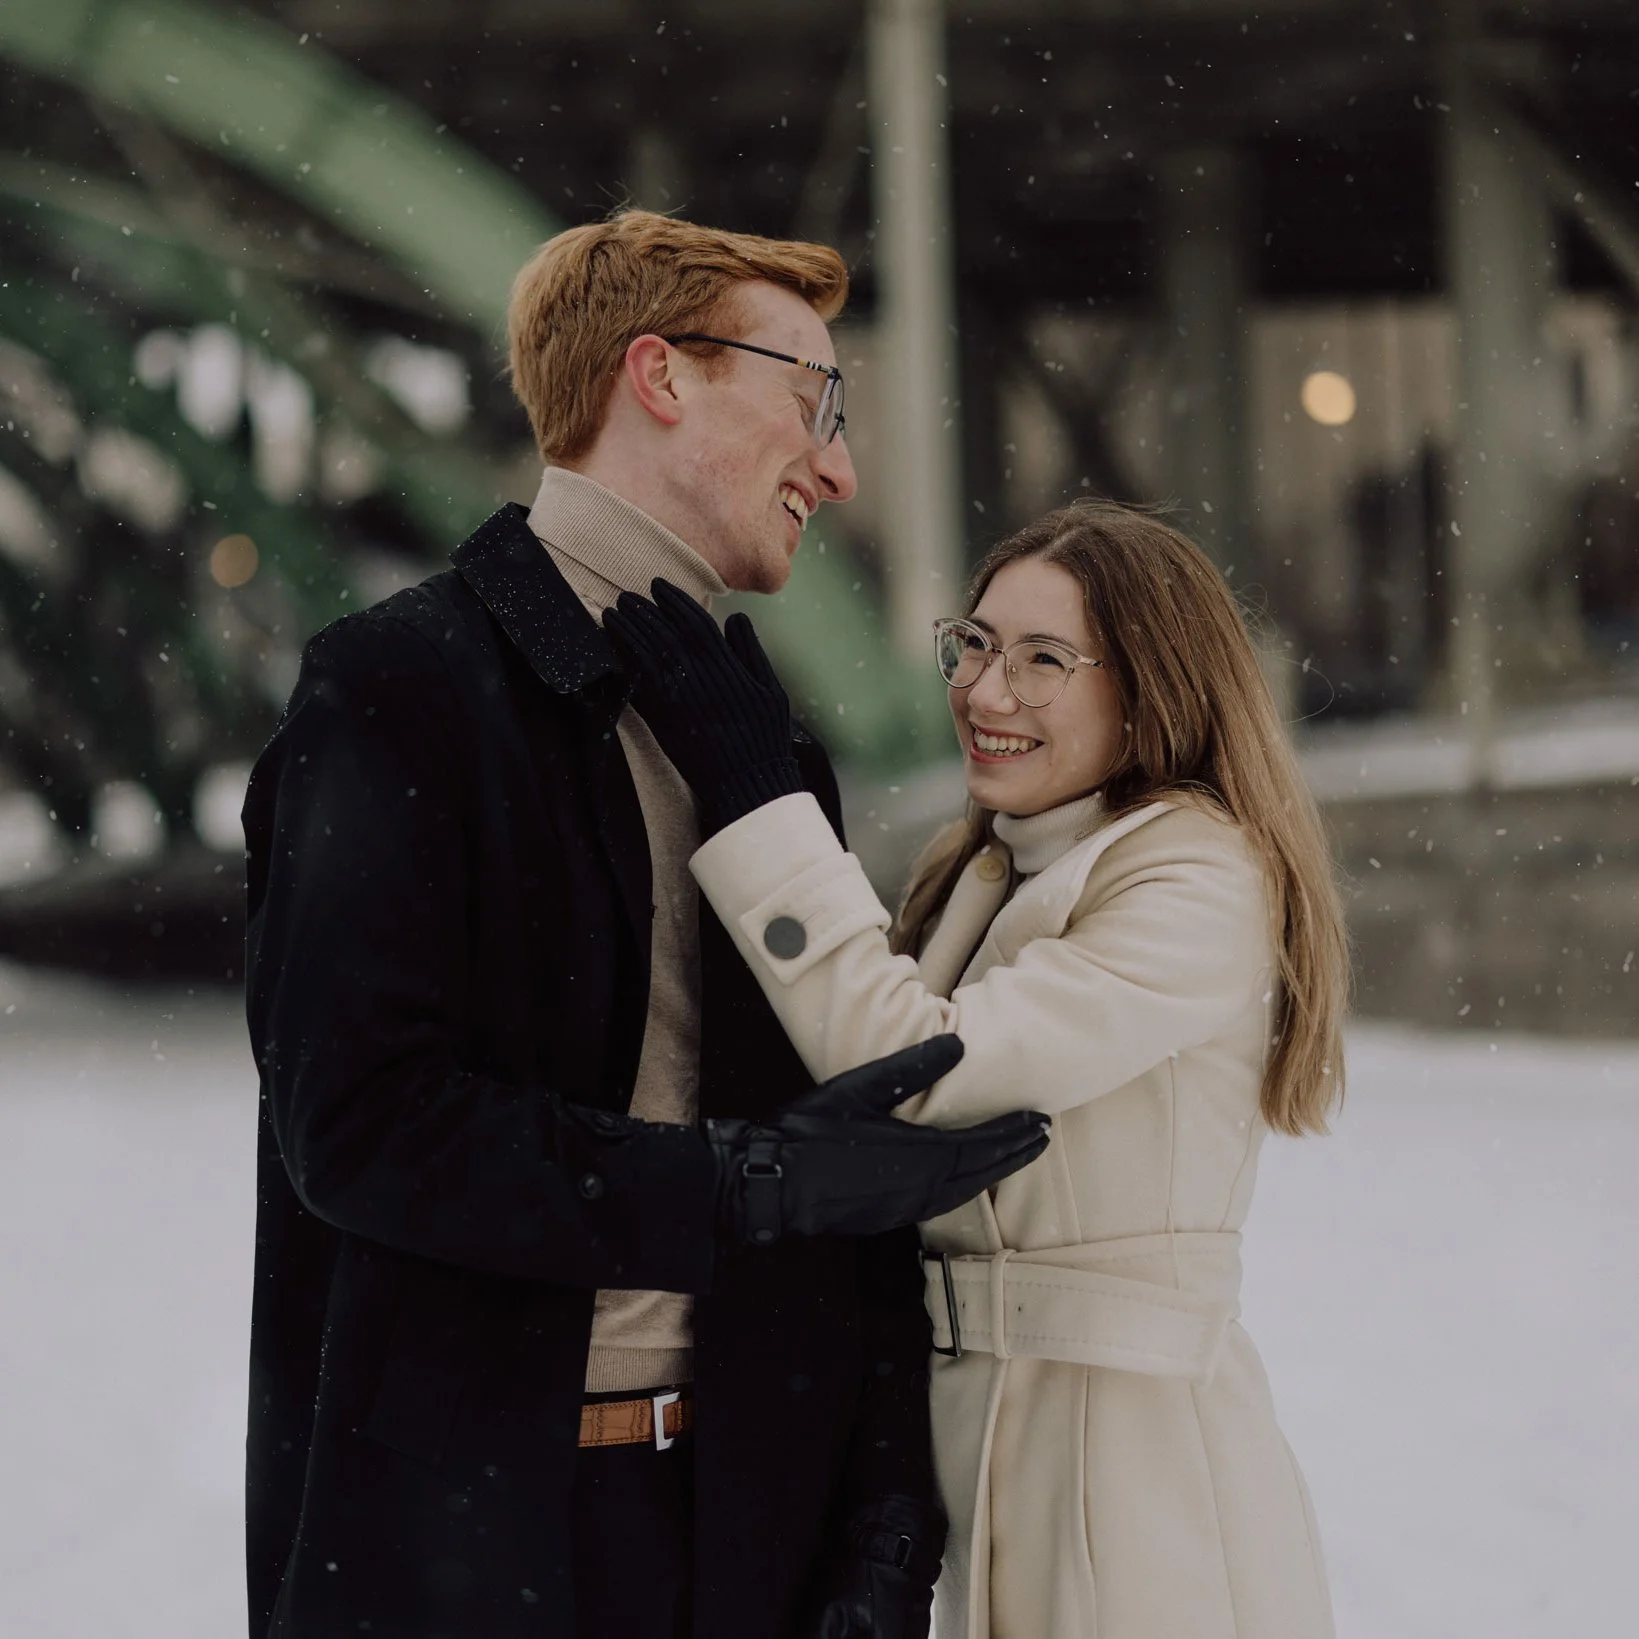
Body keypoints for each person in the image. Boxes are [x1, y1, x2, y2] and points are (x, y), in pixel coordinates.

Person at [240, 209, 1051, 1639]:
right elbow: (360, 1125)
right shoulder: (395, 688)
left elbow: (842, 1160)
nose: (841, 465)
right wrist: (731, 1178)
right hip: (466, 1544)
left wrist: (881, 1532)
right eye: (814, 398)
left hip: (750, 1532)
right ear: (660, 376)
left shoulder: (762, 747)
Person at [604, 498, 1352, 1639]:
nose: (985, 691)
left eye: (1043, 660)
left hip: (1131, 1472)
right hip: (968, 1451)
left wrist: (762, 805)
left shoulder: (1197, 878)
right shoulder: (985, 865)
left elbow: (913, 1079)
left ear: (1152, 682)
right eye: (977, 644)